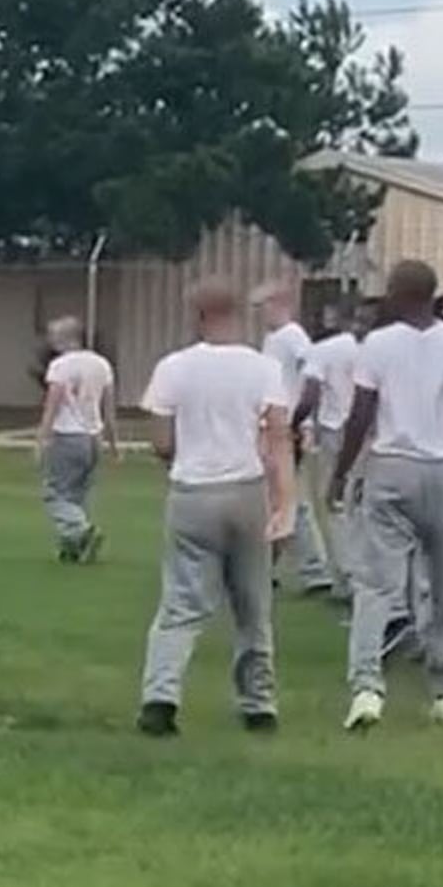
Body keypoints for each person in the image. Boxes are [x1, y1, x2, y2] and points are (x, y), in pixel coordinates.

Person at [329, 258, 443, 731]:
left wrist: (341, 472)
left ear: (398, 295)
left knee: (376, 584)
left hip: (392, 466)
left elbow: (361, 413)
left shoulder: (377, 345)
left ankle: (366, 688)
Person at [135, 282, 298, 738]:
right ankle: (258, 703)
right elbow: (280, 436)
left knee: (181, 603)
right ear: (237, 315)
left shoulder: (173, 368)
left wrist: (180, 460)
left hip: (191, 491)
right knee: (252, 604)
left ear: (197, 314)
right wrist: (284, 503)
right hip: (245, 488)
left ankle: (160, 697)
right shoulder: (262, 368)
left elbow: (161, 440)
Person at [255, 284, 334, 596]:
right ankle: (274, 567)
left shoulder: (292, 336)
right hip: (275, 426)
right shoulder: (273, 339)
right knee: (277, 499)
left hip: (288, 427)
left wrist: (302, 419)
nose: (259, 314)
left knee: (288, 500)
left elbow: (310, 370)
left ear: (278, 304)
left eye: (262, 306)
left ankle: (313, 568)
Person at [299, 301, 370, 604]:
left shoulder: (325, 350)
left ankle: (351, 577)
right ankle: (355, 576)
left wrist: (296, 422)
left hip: (336, 430)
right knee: (361, 503)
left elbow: (311, 393)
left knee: (336, 504)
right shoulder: (377, 350)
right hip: (371, 432)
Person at [37, 316, 115, 563]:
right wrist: (113, 441)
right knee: (78, 494)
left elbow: (54, 401)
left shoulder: (60, 366)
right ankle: (71, 546)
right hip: (93, 437)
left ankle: (82, 531)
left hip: (67, 435)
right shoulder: (101, 364)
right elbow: (108, 407)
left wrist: (43, 436)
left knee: (56, 493)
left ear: (65, 337)